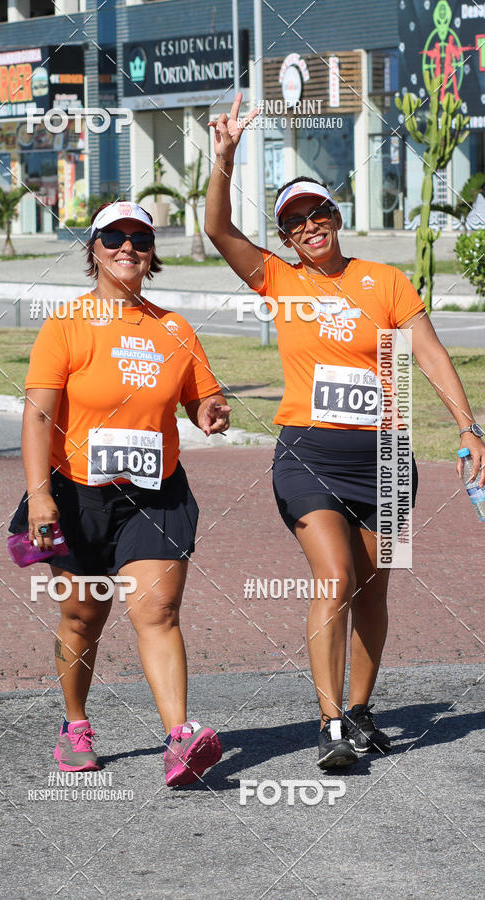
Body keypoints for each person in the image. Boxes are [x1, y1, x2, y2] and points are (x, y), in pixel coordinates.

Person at [205, 94, 485, 769]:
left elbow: (431, 352)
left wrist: (469, 428)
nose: (309, 227)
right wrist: (224, 159)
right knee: (333, 577)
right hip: (309, 452)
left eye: (318, 214)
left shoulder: (384, 281)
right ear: (286, 237)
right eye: (295, 222)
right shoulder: (278, 279)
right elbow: (217, 230)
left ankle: (361, 709)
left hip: (386, 456)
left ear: (336, 217)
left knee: (374, 587)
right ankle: (329, 724)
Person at [10, 200, 231, 786]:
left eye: (140, 238)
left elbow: (199, 397)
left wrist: (209, 410)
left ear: (152, 251)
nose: (127, 247)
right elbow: (37, 418)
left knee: (156, 609)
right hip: (77, 496)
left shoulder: (174, 329)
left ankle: (180, 739)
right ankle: (76, 725)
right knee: (82, 615)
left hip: (155, 494)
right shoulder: (66, 325)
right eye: (114, 237)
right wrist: (39, 497)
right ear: (94, 249)